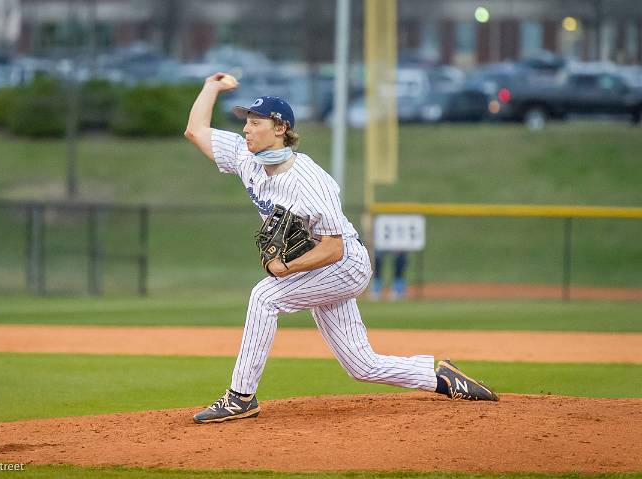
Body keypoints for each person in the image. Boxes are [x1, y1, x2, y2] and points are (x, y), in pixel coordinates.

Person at [183, 73, 499, 424]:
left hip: (345, 264)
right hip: (318, 267)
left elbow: (333, 249)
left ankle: (240, 397)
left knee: (264, 297)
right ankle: (441, 378)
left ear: (280, 129)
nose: (246, 129)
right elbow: (195, 131)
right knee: (361, 365)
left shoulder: (309, 180)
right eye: (246, 122)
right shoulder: (246, 158)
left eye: (255, 123)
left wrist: (283, 269)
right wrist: (211, 86)